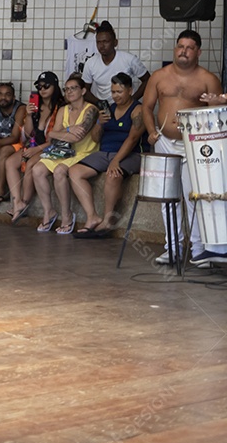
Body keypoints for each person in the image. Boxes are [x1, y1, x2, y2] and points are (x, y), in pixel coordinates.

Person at [142, 30, 226, 266]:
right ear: (175, 48)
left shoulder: (208, 78)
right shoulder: (159, 76)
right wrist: (151, 132)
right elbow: (147, 108)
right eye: (181, 46)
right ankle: (173, 248)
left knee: (193, 196)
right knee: (168, 197)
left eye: (190, 48)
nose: (184, 51)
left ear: (198, 52)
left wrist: (197, 121)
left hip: (195, 144)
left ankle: (199, 250)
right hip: (164, 141)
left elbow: (216, 116)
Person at [71, 73, 148, 237]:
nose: (116, 96)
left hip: (132, 154)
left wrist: (116, 161)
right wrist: (99, 123)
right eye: (113, 92)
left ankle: (107, 221)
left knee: (113, 175)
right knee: (74, 172)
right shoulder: (108, 109)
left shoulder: (138, 110)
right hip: (105, 152)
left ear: (130, 90)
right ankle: (92, 216)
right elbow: (95, 138)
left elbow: (133, 138)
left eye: (119, 92)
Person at [29, 74, 100, 235]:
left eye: (73, 88)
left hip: (84, 151)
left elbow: (78, 137)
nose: (69, 92)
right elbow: (51, 134)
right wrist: (67, 130)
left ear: (83, 91)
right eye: (66, 89)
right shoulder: (63, 110)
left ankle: (66, 215)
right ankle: (49, 211)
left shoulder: (91, 109)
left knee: (60, 171)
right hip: (64, 151)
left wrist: (60, 133)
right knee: (37, 169)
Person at [7, 72, 64, 223]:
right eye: (39, 86)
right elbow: (27, 133)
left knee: (31, 163)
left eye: (46, 86)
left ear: (55, 87)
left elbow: (56, 139)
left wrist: (36, 150)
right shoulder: (35, 107)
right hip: (34, 145)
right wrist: (29, 115)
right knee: (10, 162)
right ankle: (17, 201)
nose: (42, 89)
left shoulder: (61, 108)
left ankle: (24, 203)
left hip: (50, 147)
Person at [81, 21, 150, 104]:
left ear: (115, 42)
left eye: (105, 41)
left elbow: (148, 80)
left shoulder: (129, 59)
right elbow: (84, 90)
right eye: (98, 42)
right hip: (103, 110)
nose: (101, 46)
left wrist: (132, 101)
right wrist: (100, 103)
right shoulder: (90, 63)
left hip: (126, 109)